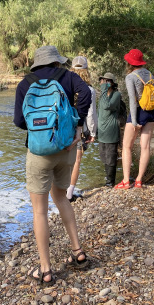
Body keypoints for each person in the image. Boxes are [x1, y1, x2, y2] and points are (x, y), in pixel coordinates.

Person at [13, 46, 91, 285]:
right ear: (57, 62)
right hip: (65, 148)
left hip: (38, 153)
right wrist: (76, 125)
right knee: (61, 198)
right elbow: (86, 94)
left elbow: (18, 121)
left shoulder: (25, 84)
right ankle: (78, 253)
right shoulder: (68, 77)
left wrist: (40, 131)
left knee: (39, 210)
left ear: (36, 64)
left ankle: (46, 269)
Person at [115, 49, 154, 189]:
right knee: (145, 146)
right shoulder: (149, 73)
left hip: (139, 113)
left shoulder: (131, 77)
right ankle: (139, 180)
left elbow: (133, 101)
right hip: (152, 112)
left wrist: (134, 121)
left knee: (127, 146)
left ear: (129, 62)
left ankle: (126, 181)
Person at [66, 56, 97, 200]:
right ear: (86, 70)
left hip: (65, 128)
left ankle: (60, 191)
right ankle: (69, 194)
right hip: (81, 129)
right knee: (76, 161)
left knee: (64, 160)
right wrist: (93, 132)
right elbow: (91, 114)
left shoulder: (65, 86)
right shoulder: (89, 90)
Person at [97, 72, 121, 187]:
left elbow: (107, 106)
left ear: (112, 83)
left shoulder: (116, 95)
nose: (105, 83)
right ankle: (107, 180)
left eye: (108, 81)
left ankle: (110, 182)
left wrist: (103, 90)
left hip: (111, 131)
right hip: (102, 131)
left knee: (111, 157)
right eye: (103, 80)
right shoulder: (102, 96)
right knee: (104, 157)